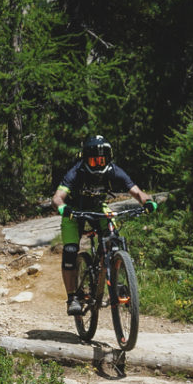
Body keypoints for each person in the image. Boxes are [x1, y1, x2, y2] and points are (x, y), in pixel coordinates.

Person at [51, 135, 153, 315]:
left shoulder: (113, 170)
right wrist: (63, 209)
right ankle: (73, 297)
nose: (99, 164)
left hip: (98, 209)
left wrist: (147, 202)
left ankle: (118, 279)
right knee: (70, 252)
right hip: (75, 212)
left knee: (114, 239)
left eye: (102, 159)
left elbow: (137, 192)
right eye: (94, 159)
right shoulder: (77, 171)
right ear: (86, 159)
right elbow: (58, 197)